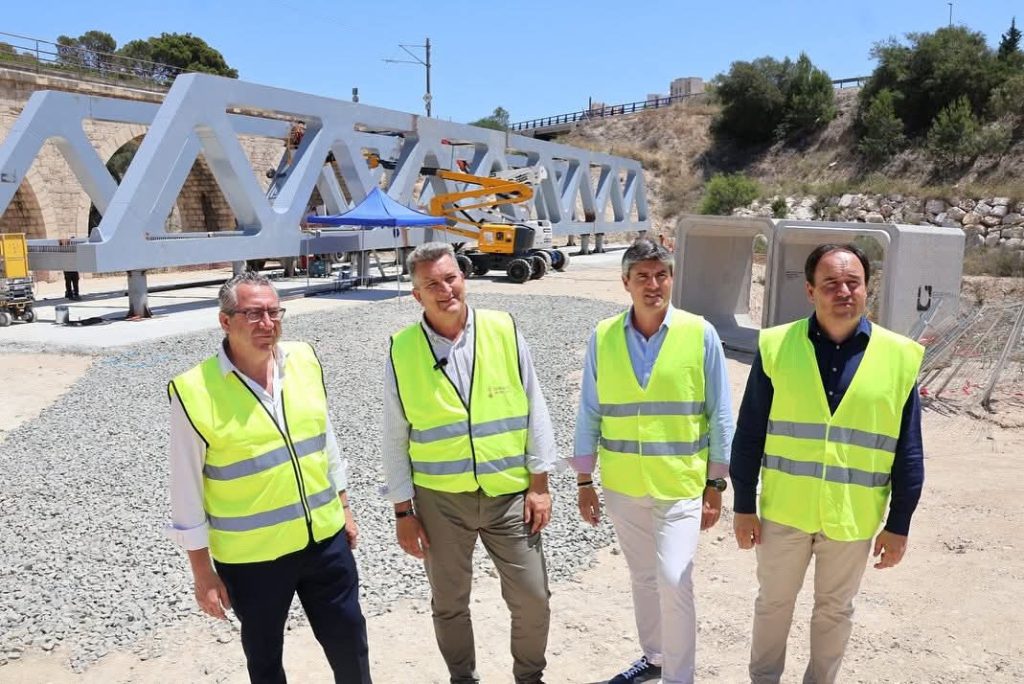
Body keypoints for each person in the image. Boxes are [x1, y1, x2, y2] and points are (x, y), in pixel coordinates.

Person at [731, 243, 925, 684]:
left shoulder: (899, 357)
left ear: (867, 288)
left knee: (835, 611)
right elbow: (750, 433)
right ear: (810, 290)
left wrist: (899, 524)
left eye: (853, 282)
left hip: (852, 516)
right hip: (785, 511)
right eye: (831, 283)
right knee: (773, 604)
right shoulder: (777, 346)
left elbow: (908, 451)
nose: (844, 291)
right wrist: (743, 505)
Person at [166, 271, 371, 683]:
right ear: (225, 321)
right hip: (252, 560)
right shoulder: (194, 391)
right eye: (254, 314)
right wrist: (202, 573)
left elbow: (325, 440)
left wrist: (344, 507)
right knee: (264, 661)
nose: (268, 323)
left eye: (274, 312)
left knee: (350, 643)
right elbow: (185, 490)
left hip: (325, 541)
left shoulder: (304, 360)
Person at [382, 242, 557, 684]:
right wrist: (403, 512)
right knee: (449, 602)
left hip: (508, 493)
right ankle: (463, 678)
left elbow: (535, 407)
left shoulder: (503, 329)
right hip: (440, 501)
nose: (445, 290)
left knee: (533, 597)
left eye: (451, 278)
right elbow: (394, 436)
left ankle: (530, 677)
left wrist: (539, 484)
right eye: (432, 285)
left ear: (464, 278)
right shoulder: (402, 349)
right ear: (416, 295)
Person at [571, 238, 735, 684]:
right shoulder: (604, 336)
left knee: (674, 578)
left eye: (661, 275)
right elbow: (590, 409)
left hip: (681, 484)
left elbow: (720, 413)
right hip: (623, 484)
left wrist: (716, 484)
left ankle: (679, 678)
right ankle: (656, 657)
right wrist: (584, 481)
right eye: (642, 276)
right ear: (625, 282)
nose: (653, 284)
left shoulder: (699, 333)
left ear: (672, 279)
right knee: (643, 577)